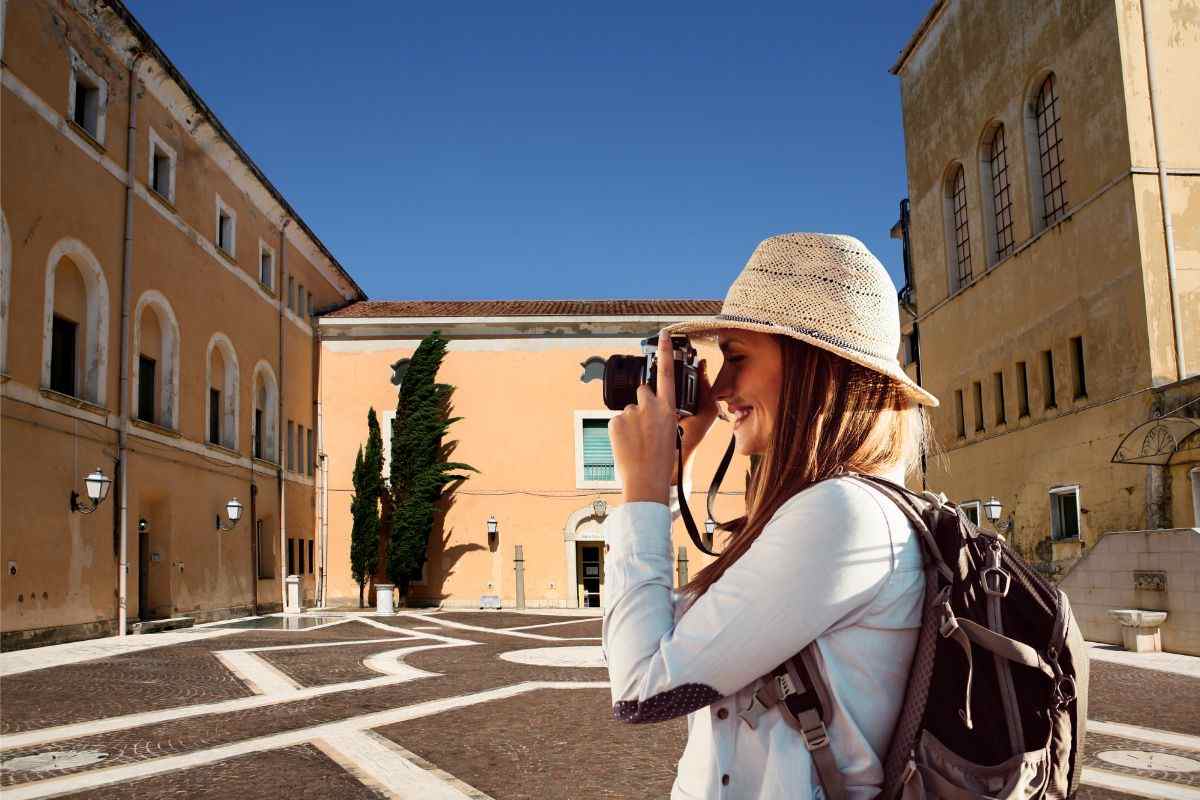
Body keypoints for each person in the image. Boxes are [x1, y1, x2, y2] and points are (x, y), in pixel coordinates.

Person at [602, 232, 940, 800]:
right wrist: (667, 471)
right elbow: (658, 635)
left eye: (736, 358)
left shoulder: (843, 515)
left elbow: (640, 688)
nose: (722, 389)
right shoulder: (825, 510)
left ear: (814, 367)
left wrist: (642, 492)